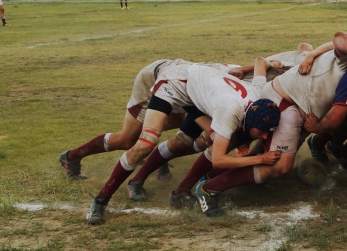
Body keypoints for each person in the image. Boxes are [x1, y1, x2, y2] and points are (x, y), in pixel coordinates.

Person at [86, 63, 283, 224]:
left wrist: (270, 64)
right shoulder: (230, 110)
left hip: (197, 88)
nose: (264, 137)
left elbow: (259, 62)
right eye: (262, 132)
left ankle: (179, 191)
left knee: (213, 140)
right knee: (146, 144)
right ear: (250, 120)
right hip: (175, 82)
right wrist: (260, 159)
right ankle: (100, 200)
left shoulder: (257, 94)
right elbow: (219, 160)